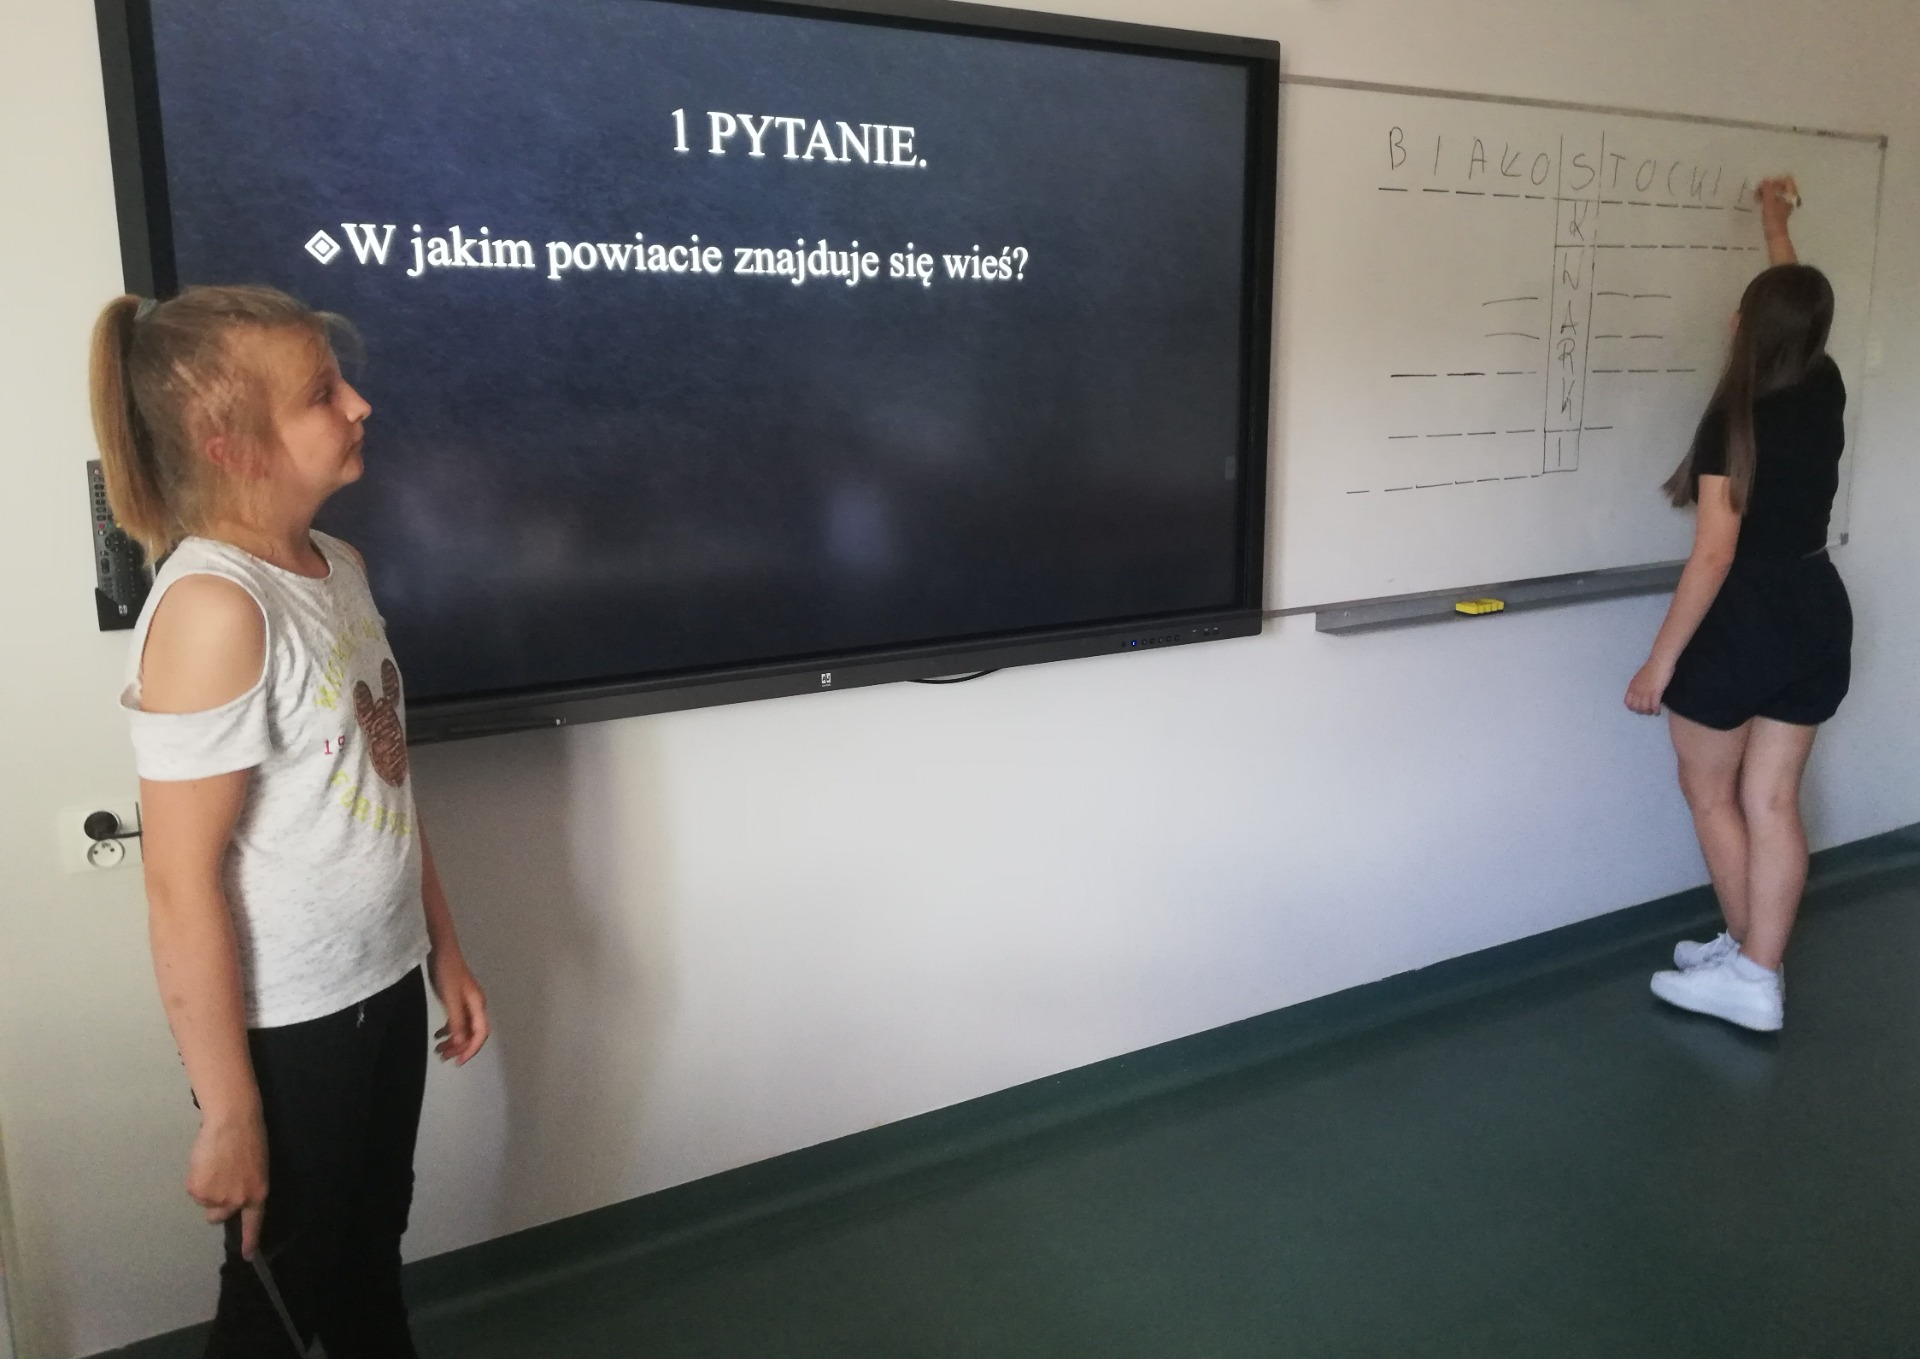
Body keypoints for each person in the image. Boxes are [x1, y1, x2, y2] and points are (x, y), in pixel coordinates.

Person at [89, 284, 490, 1356]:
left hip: (382, 984)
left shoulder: (337, 566)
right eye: (321, 393)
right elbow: (178, 884)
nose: (359, 404)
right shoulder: (216, 609)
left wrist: (443, 950)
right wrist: (231, 1111)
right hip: (290, 1027)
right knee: (280, 1299)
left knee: (369, 1251)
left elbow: (384, 784)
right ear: (229, 444)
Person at [1625, 177, 1850, 1034]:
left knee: (1712, 792)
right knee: (1773, 800)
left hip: (1744, 619)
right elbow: (1796, 305)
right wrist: (1775, 222)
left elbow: (1714, 556)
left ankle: (1754, 975)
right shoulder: (1822, 382)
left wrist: (1660, 664)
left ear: (1746, 327)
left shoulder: (1735, 421)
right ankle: (1754, 961)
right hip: (1816, 608)